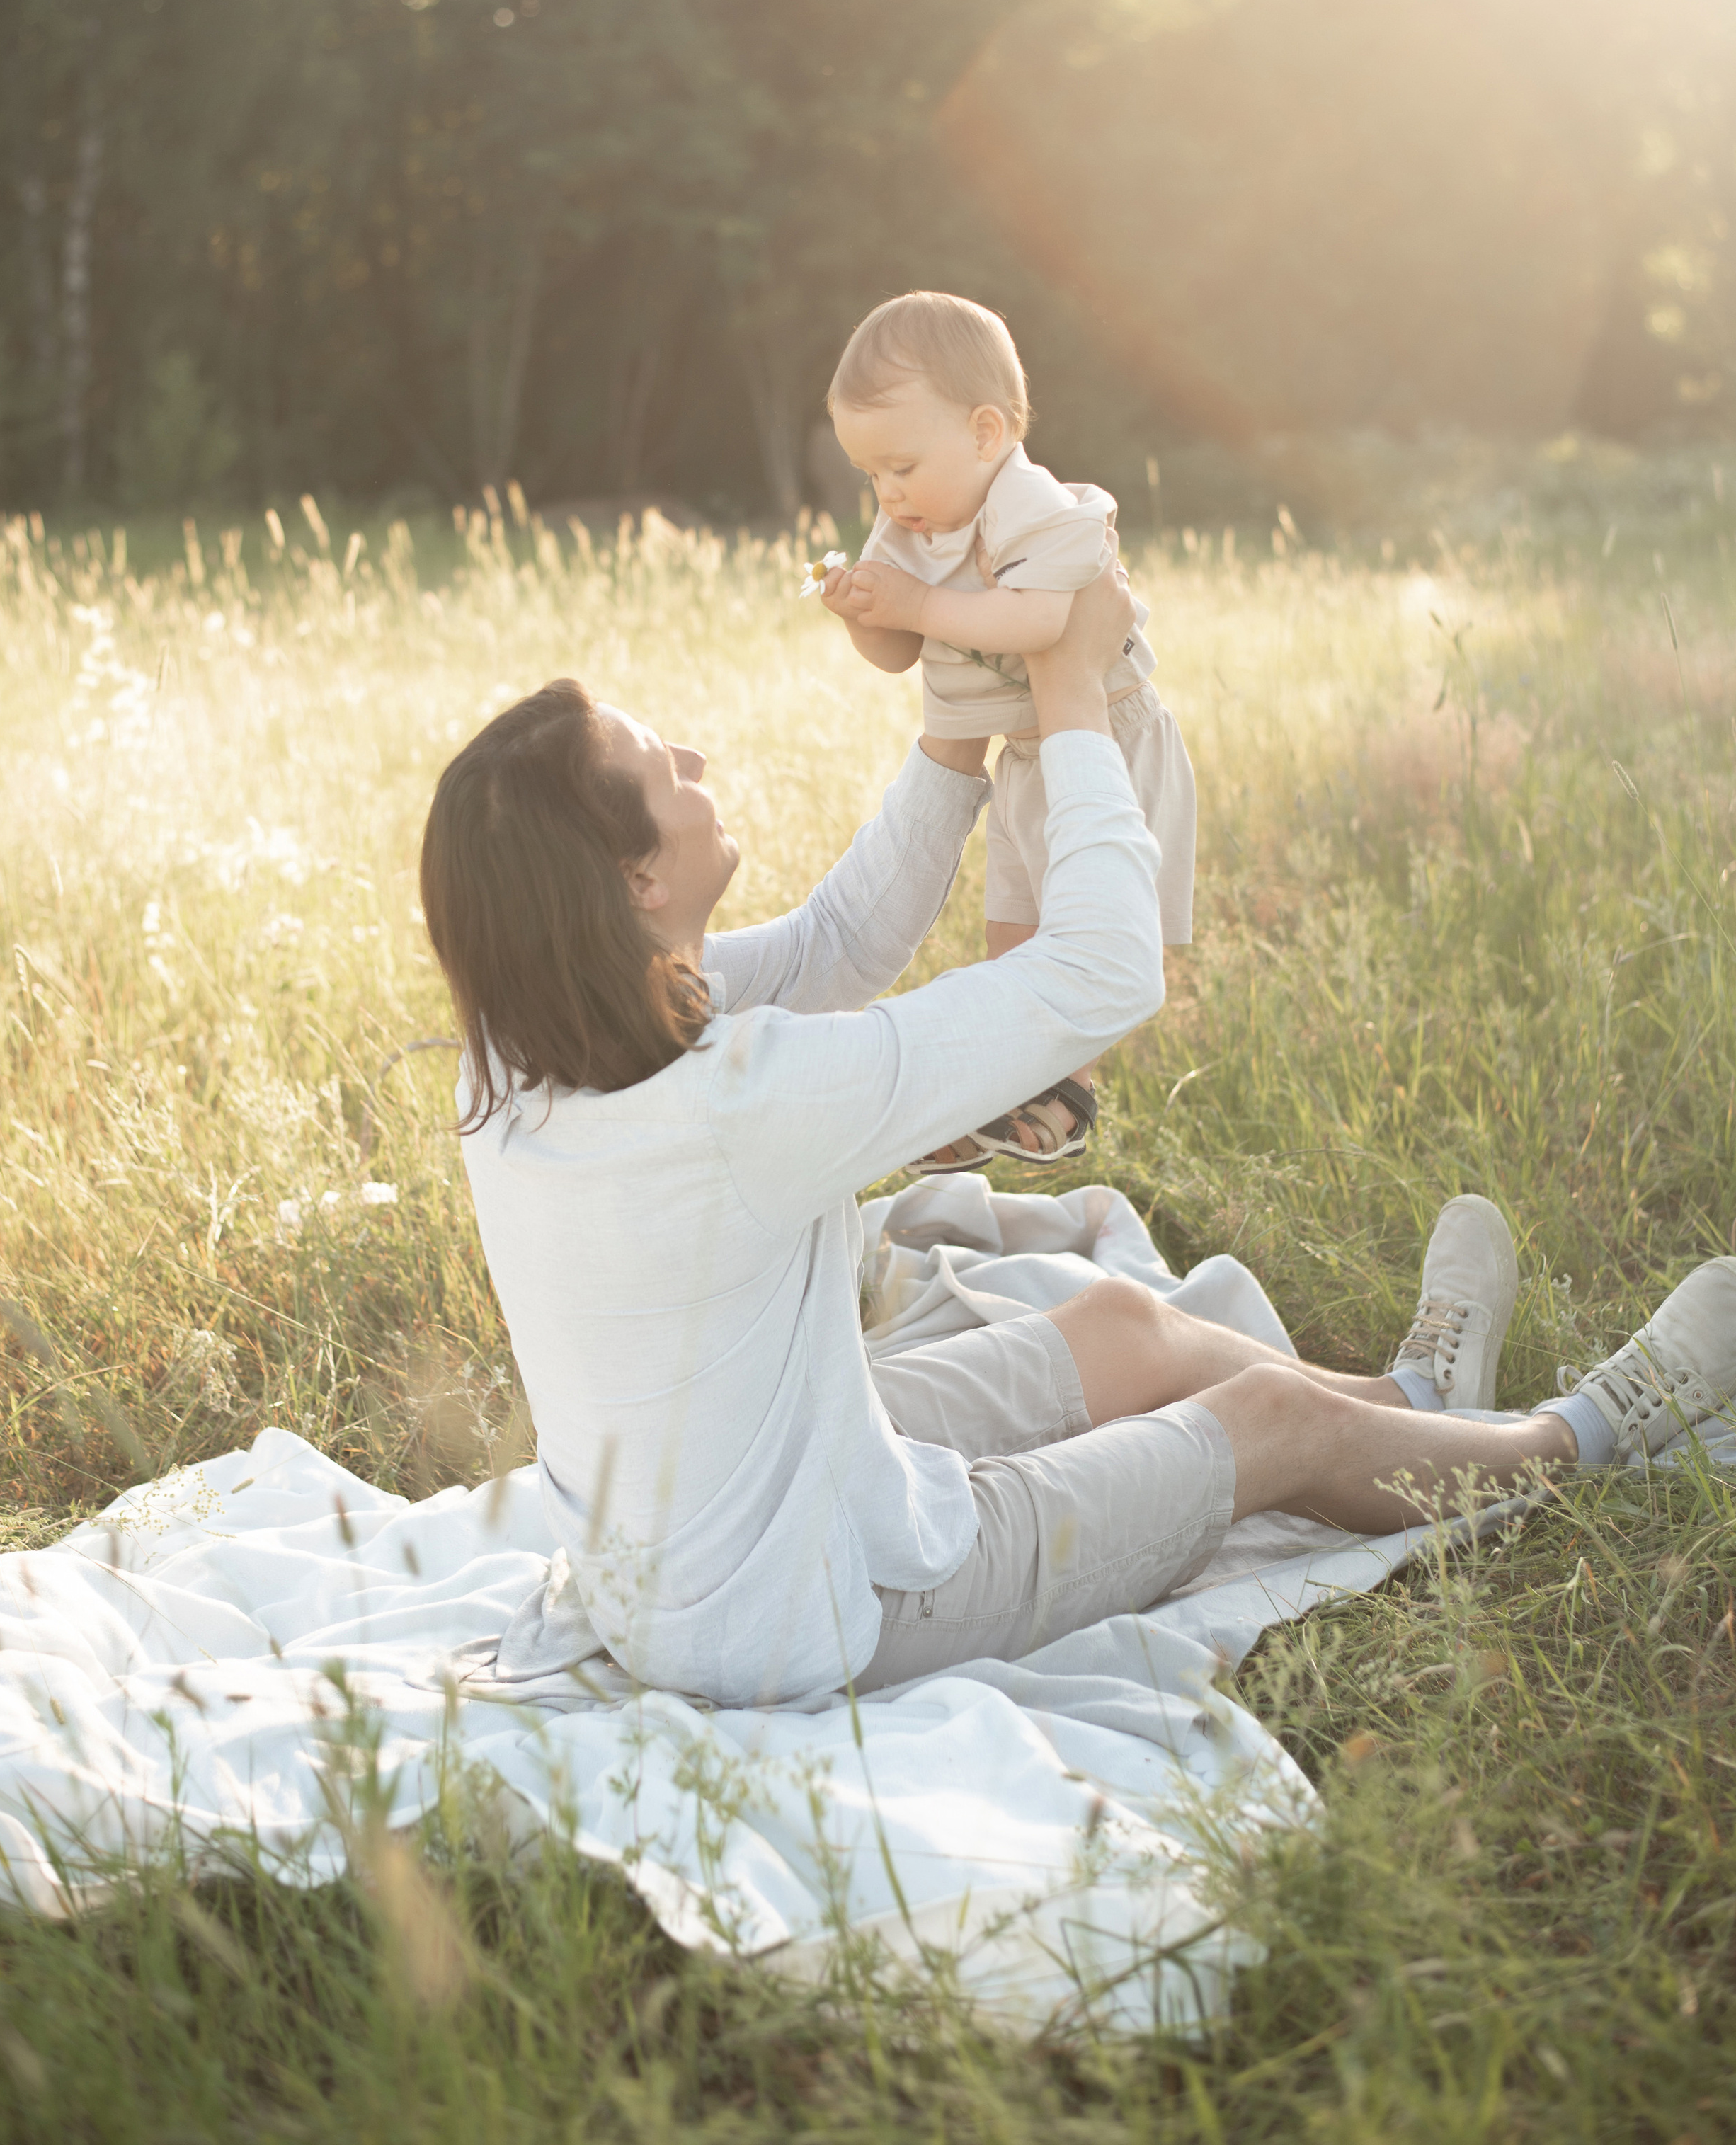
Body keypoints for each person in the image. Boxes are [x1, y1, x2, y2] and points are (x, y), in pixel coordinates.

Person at [418, 564, 1736, 1710]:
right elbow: (1106, 968)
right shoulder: (737, 1103)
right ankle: (1584, 1439)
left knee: (1123, 1327)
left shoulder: (530, 1046)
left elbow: (831, 947)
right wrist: (1075, 697)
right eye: (666, 768)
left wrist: (953, 739)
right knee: (1270, 1414)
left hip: (712, 1527)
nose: (697, 766)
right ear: (638, 879)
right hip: (807, 1615)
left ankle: (1416, 1410)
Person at [814, 288, 1194, 1172]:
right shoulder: (913, 523)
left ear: (987, 433)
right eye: (871, 474)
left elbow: (1037, 626)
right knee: (1011, 936)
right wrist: (866, 614)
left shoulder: (1037, 507)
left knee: (1081, 923)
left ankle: (1071, 1088)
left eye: (902, 465)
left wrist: (917, 599)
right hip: (1028, 754)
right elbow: (899, 653)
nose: (889, 492)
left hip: (1108, 742)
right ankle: (995, 1089)